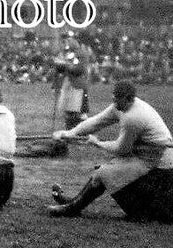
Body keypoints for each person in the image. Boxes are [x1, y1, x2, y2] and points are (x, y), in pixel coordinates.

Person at [48, 80, 173, 221]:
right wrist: (69, 133)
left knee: (105, 172)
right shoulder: (121, 106)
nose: (114, 103)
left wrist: (98, 143)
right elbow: (96, 122)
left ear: (129, 99)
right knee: (102, 171)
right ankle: (74, 203)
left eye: (117, 100)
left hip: (160, 162)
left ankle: (73, 208)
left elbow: (121, 149)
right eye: (113, 99)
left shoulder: (133, 118)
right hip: (145, 155)